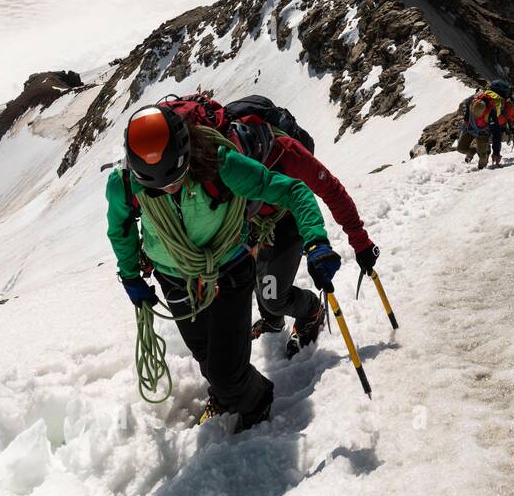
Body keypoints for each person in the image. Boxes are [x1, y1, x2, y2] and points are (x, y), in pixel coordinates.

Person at [106, 104, 340, 430]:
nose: (169, 188)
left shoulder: (220, 164)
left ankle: (256, 401)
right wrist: (130, 276)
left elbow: (292, 190)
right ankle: (228, 393)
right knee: (204, 353)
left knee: (225, 372)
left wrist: (316, 240)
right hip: (173, 278)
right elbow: (122, 230)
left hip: (229, 270)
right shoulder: (124, 184)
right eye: (156, 187)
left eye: (175, 178)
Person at [248, 130, 380, 352]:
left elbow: (333, 192)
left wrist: (361, 242)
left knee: (272, 294)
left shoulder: (287, 154)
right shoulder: (219, 159)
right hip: (254, 222)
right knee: (255, 275)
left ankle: (311, 310)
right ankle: (273, 320)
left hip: (290, 219)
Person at [457, 78, 514, 170]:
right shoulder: (478, 101)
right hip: (476, 127)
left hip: (483, 130)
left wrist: (496, 153)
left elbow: (497, 132)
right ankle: (476, 152)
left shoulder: (485, 103)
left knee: (483, 155)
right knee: (463, 148)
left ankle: (482, 165)